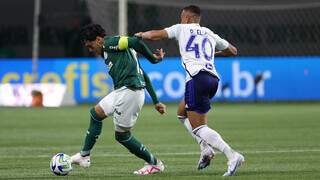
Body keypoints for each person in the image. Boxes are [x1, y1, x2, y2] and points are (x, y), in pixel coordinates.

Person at [135, 5, 244, 176]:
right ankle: (205, 149)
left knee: (199, 128)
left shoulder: (181, 28)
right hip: (212, 79)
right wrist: (210, 54)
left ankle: (232, 155)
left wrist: (141, 35)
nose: (181, 20)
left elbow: (155, 34)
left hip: (196, 79)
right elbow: (233, 51)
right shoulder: (209, 33)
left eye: (182, 17)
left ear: (187, 18)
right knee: (181, 113)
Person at [71, 24, 166, 175]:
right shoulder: (110, 51)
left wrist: (153, 60)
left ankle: (154, 163)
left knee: (122, 136)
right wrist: (156, 101)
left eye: (90, 46)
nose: (90, 50)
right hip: (122, 90)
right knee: (95, 114)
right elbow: (143, 74)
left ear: (98, 40)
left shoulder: (110, 43)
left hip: (130, 92)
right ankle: (84, 155)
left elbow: (135, 41)